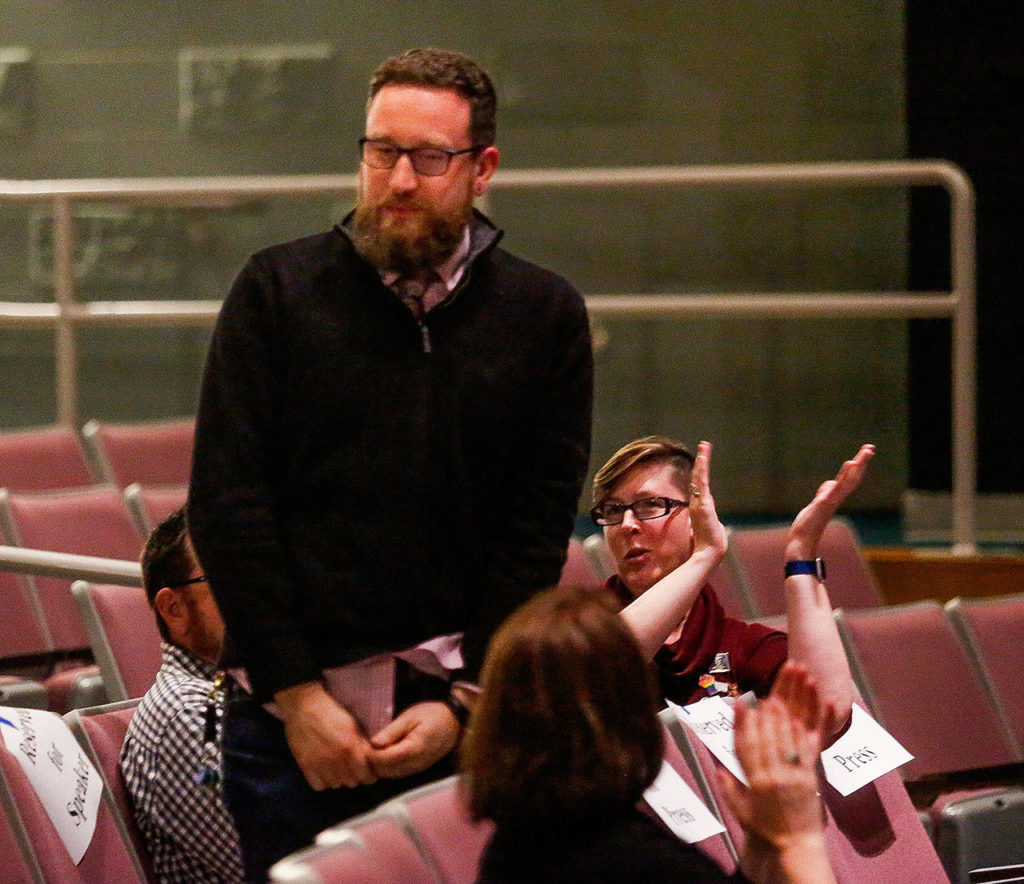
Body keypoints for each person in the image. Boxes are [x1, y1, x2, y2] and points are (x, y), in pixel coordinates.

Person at [187, 47, 593, 879]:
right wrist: (299, 699)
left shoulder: (544, 315)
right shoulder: (274, 291)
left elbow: (533, 529)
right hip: (284, 727)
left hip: (447, 722)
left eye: (429, 158)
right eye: (382, 151)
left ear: (482, 170)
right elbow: (229, 508)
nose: (400, 180)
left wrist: (469, 704)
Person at [462, 588, 837, 884]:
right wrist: (799, 838)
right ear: (630, 711)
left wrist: (760, 843)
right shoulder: (632, 861)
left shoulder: (513, 847)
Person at [592, 436, 874, 732]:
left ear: (696, 518)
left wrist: (801, 554)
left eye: (650, 505)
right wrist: (705, 555)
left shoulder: (737, 644)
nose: (626, 525)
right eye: (612, 511)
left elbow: (825, 713)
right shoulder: (576, 627)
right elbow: (606, 666)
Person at [120, 506, 244, 884]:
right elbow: (292, 867)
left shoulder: (244, 689)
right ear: (175, 609)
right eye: (231, 578)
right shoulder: (190, 717)